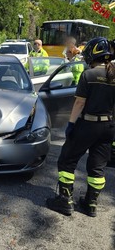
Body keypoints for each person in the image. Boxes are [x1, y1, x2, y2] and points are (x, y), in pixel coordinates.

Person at [46, 37, 115, 217]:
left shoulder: (89, 75)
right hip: (108, 127)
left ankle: (65, 201)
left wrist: (70, 125)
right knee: (97, 167)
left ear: (93, 53)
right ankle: (91, 204)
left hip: (88, 125)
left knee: (67, 160)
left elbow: (79, 103)